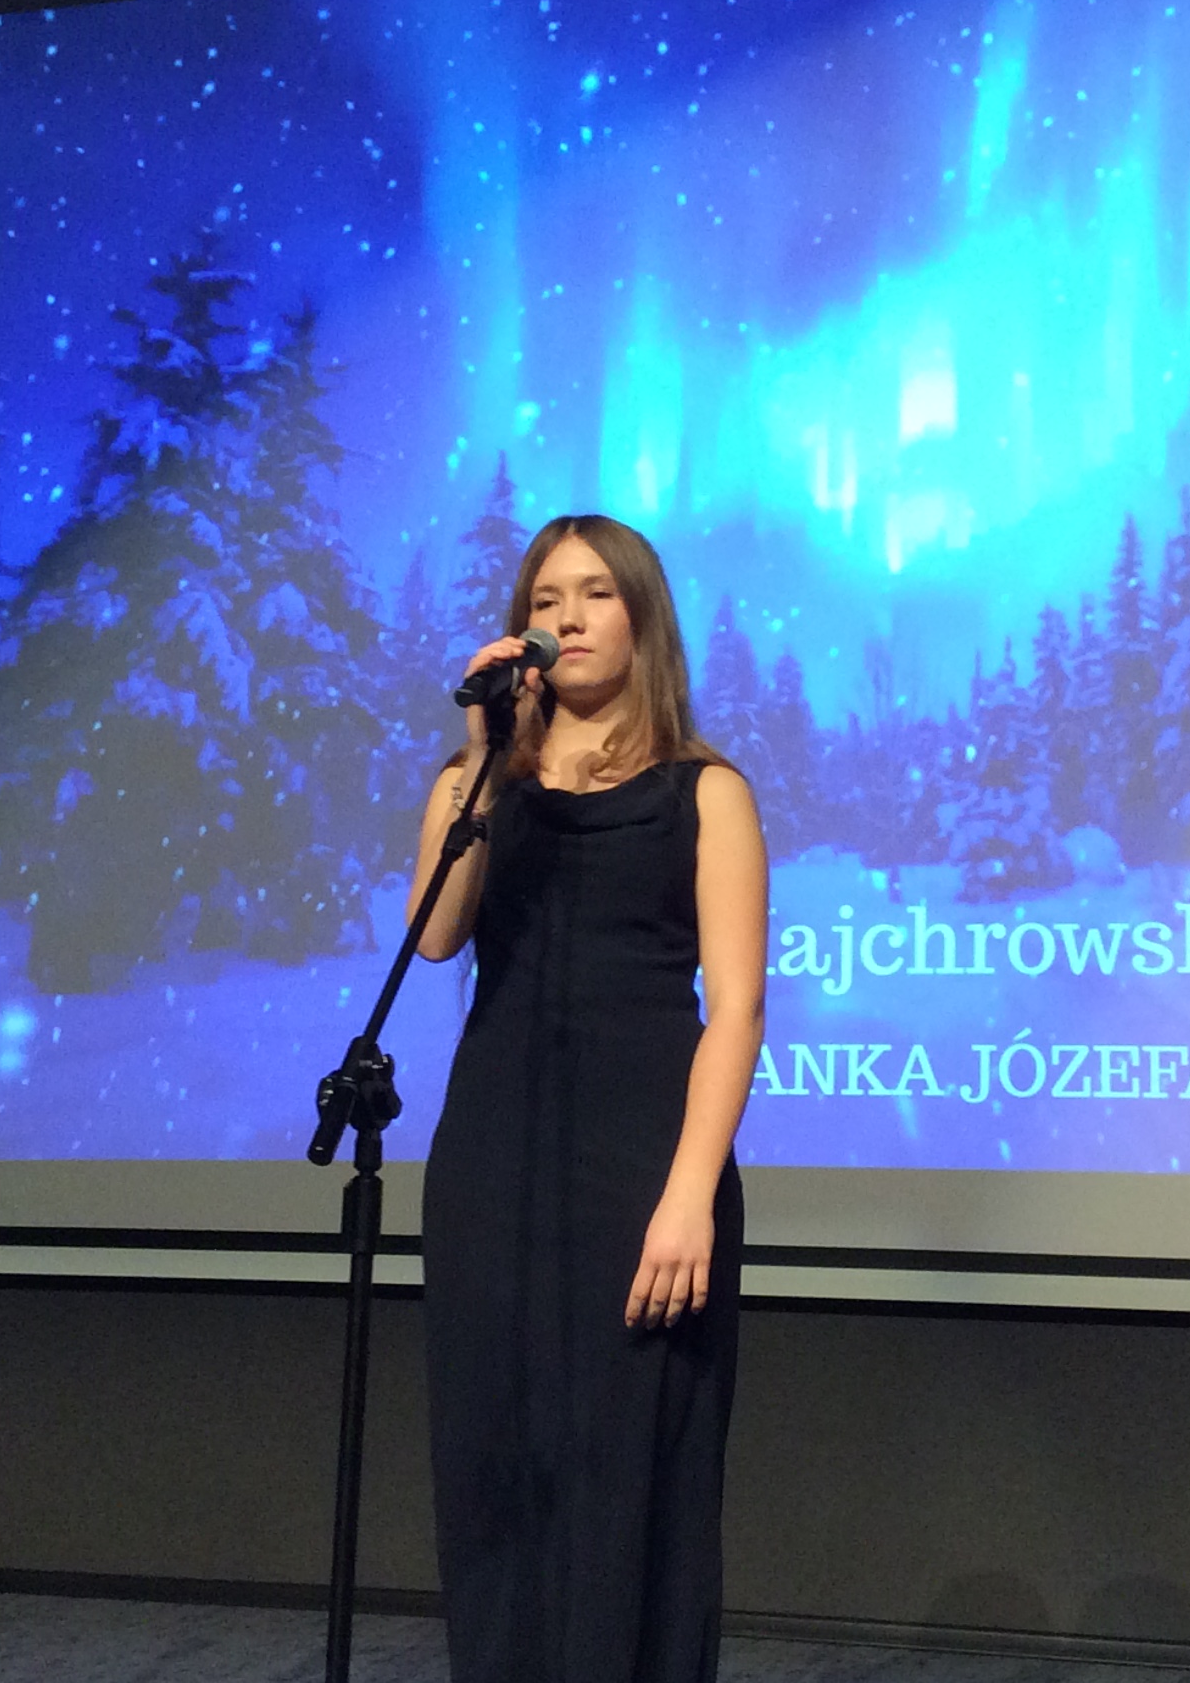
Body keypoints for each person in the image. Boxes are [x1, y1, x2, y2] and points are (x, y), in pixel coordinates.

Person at [411, 514, 768, 1683]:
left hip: (645, 1173)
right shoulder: (474, 786)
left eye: (595, 593)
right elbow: (436, 936)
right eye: (546, 598)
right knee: (496, 1468)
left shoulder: (704, 792)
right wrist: (481, 753)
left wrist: (688, 1198)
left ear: (641, 617)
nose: (566, 618)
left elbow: (736, 1011)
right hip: (493, 1163)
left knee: (629, 1479)